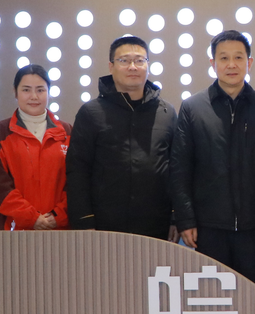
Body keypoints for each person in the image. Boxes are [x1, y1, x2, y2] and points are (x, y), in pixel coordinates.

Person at [171, 30, 255, 284]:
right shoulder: (193, 108)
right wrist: (185, 220)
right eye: (223, 58)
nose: (231, 64)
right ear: (213, 63)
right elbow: (180, 169)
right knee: (211, 297)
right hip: (208, 228)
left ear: (249, 62)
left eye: (238, 57)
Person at [66, 35, 178, 240]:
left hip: (156, 225)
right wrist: (84, 221)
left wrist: (175, 217)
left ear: (148, 65)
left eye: (139, 60)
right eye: (124, 60)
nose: (132, 67)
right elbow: (77, 170)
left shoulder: (167, 113)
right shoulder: (91, 113)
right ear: (111, 67)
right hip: (104, 226)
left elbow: (177, 169)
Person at [0, 64, 72, 230]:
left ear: (49, 92)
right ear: (15, 92)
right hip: (15, 230)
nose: (34, 96)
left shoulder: (67, 132)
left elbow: (78, 182)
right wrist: (31, 217)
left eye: (40, 90)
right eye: (26, 90)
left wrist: (58, 215)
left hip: (61, 230)